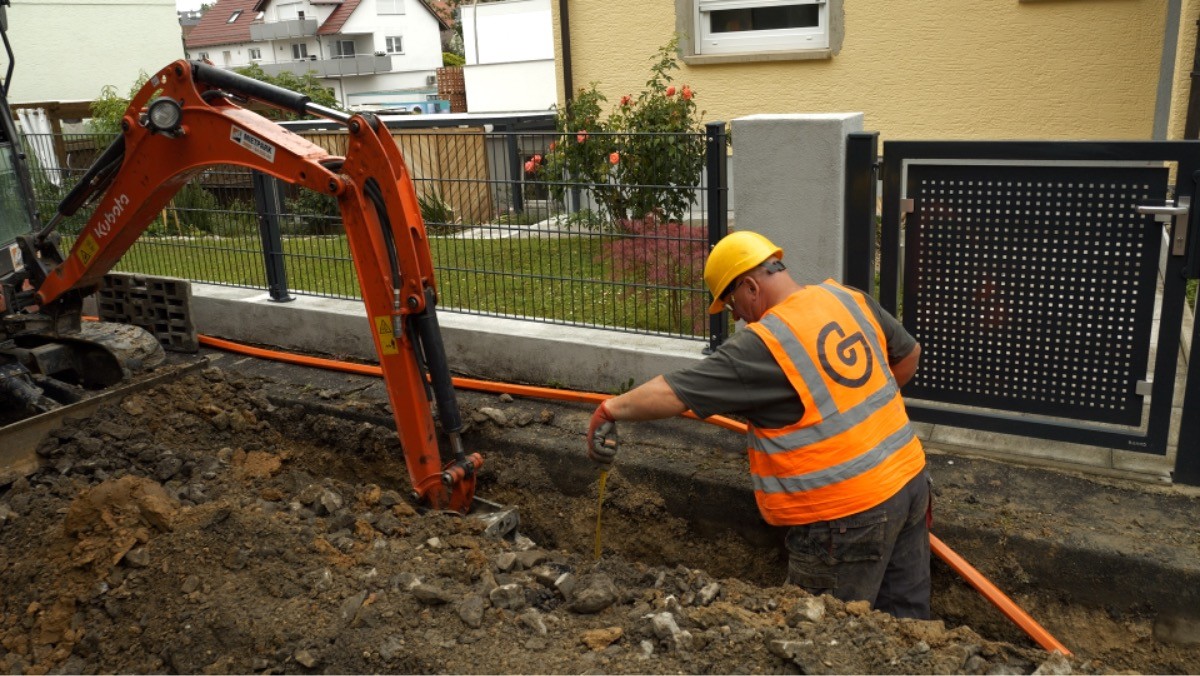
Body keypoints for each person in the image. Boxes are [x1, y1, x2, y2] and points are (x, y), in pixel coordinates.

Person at [586, 231, 932, 619]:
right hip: (910, 481)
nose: (734, 315)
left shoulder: (765, 343)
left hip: (845, 515)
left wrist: (610, 409)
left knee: (821, 640)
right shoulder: (846, 298)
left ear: (751, 285)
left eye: (732, 302)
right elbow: (909, 355)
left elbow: (675, 392)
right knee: (906, 628)